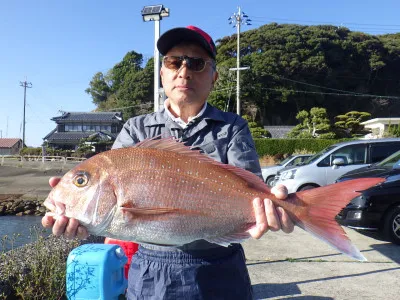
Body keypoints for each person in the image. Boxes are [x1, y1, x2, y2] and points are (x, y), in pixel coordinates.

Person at [42, 25, 294, 299]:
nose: (184, 71)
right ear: (162, 73)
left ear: (214, 78)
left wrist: (273, 207)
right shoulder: (135, 129)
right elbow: (111, 216)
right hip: (151, 270)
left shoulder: (233, 127)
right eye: (174, 62)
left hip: (221, 267)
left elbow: (253, 190)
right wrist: (82, 222)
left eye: (197, 63)